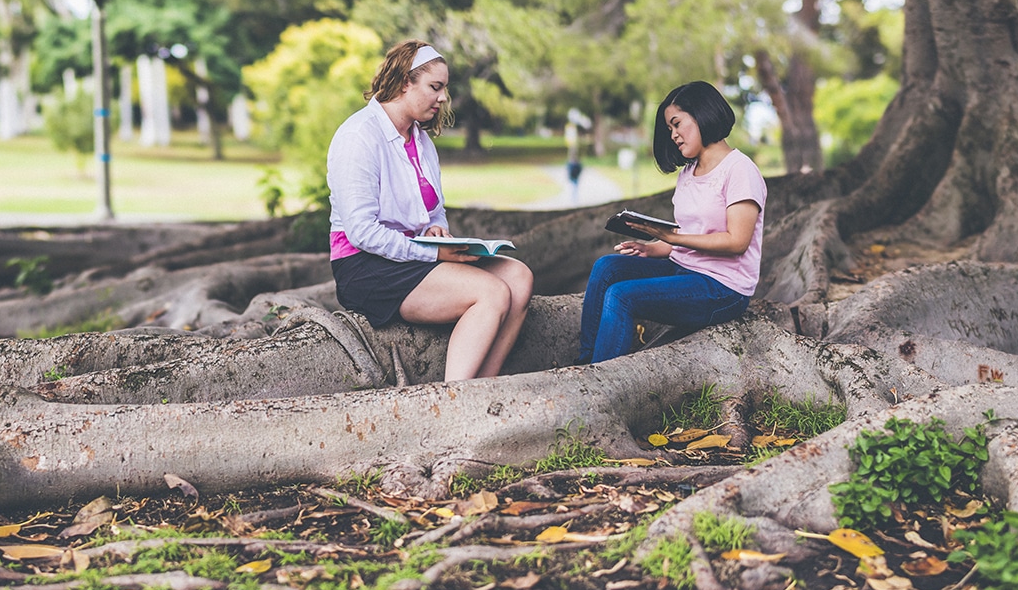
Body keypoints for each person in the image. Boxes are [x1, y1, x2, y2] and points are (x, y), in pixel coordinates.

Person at [328, 39, 534, 381]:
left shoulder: (419, 140)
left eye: (445, 89)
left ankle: (485, 387)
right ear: (404, 82)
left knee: (518, 276)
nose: (443, 98)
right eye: (435, 87)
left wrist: (435, 231)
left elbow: (432, 210)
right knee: (490, 292)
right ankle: (455, 400)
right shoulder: (358, 136)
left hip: (414, 255)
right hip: (365, 267)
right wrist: (435, 255)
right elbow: (361, 232)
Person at [579, 80, 766, 364]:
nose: (674, 135)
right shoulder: (688, 172)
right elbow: (690, 234)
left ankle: (599, 379)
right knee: (606, 267)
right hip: (683, 269)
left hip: (722, 289)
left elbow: (736, 242)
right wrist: (653, 247)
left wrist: (671, 238)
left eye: (677, 124)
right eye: (669, 129)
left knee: (621, 296)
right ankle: (583, 363)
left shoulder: (740, 170)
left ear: (703, 113)